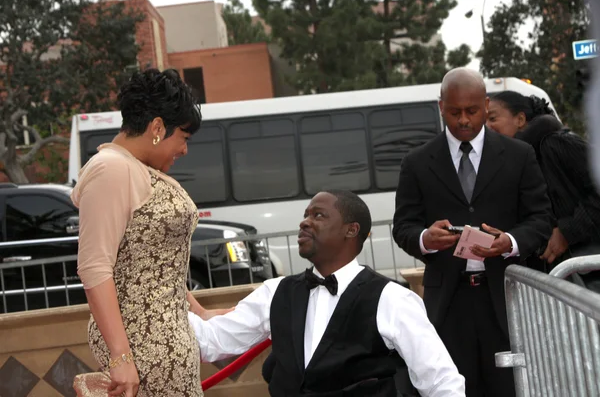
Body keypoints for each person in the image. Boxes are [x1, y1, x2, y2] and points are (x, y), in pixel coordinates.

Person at [189, 190, 466, 397]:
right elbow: (210, 342)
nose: (305, 223)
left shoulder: (392, 299)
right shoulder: (275, 293)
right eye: (305, 215)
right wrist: (161, 296)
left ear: (351, 230)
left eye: (318, 215)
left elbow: (441, 382)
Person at [392, 68, 553, 397]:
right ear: (441, 107)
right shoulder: (417, 162)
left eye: (472, 111)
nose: (463, 120)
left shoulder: (519, 156)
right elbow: (404, 226)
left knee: (510, 389)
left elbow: (540, 218)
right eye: (454, 112)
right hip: (449, 303)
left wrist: (509, 241)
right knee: (453, 388)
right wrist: (425, 238)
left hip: (506, 300)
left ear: (486, 104)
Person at [71, 68, 228, 397]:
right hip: (141, 348)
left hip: (167, 342)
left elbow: (153, 262)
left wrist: (198, 311)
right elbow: (94, 267)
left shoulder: (132, 167)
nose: (184, 150)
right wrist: (121, 356)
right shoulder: (111, 169)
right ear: (157, 128)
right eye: (183, 137)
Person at [487, 91, 600, 290]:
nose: (487, 126)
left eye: (493, 118)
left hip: (586, 275)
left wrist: (567, 232)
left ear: (520, 119)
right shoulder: (508, 162)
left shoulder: (555, 144)